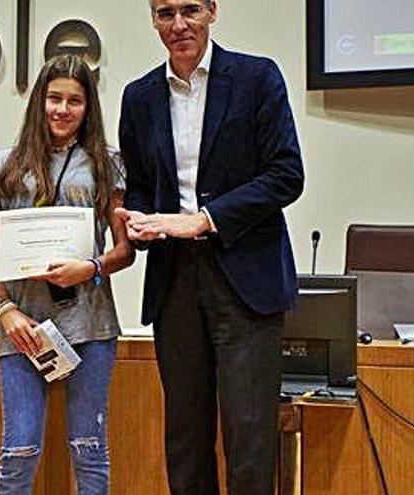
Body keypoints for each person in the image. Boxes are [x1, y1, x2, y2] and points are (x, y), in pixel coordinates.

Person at [116, 1, 305, 494]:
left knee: (249, 441)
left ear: (212, 11)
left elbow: (286, 174)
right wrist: (137, 219)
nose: (178, 25)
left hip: (245, 279)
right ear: (153, 20)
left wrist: (204, 220)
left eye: (190, 9)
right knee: (184, 441)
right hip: (173, 279)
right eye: (164, 13)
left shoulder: (257, 78)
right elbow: (139, 183)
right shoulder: (138, 97)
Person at [0, 54, 134, 495]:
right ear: (39, 101)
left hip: (91, 325)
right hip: (23, 328)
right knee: (19, 451)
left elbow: (124, 251)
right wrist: (4, 310)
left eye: (74, 101)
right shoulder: (3, 164)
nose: (62, 110)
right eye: (54, 98)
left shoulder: (107, 164)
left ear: (88, 107)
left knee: (89, 448)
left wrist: (91, 267)